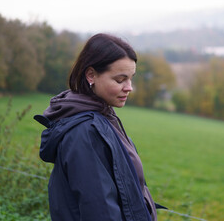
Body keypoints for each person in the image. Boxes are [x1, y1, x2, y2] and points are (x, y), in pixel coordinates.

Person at [34, 33, 163, 221]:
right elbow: (100, 210)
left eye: (130, 78)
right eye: (120, 80)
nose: (129, 87)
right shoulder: (84, 131)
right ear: (91, 75)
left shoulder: (103, 116)